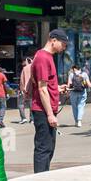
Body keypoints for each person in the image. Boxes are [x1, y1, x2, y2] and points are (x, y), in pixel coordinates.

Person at [31, 30, 67, 173]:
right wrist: (50, 114)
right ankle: (40, 179)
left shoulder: (47, 57)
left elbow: (46, 85)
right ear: (53, 40)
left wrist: (57, 88)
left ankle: (43, 175)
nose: (63, 48)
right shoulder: (42, 58)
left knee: (49, 147)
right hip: (42, 110)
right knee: (44, 148)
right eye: (63, 44)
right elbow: (41, 89)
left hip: (45, 109)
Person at [65, 63, 91, 127]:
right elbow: (89, 85)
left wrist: (67, 93)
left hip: (73, 93)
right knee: (81, 106)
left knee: (74, 107)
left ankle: (76, 121)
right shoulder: (84, 74)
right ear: (80, 69)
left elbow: (68, 84)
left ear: (73, 69)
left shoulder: (71, 75)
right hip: (82, 92)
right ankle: (79, 121)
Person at [16, 58, 33, 124]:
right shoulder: (34, 67)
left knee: (20, 104)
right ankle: (32, 119)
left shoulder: (25, 69)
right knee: (31, 105)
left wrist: (21, 89)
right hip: (32, 90)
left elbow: (22, 81)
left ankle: (23, 118)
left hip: (24, 90)